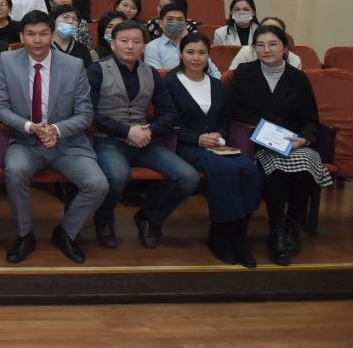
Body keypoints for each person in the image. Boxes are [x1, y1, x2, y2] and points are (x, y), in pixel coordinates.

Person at [0, 11, 107, 264]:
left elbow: (85, 114)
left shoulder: (73, 65)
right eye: (31, 34)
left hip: (67, 142)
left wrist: (56, 130)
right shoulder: (8, 61)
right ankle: (25, 235)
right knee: (15, 171)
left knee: (98, 184)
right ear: (21, 36)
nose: (38, 40)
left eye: (44, 34)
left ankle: (66, 232)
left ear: (52, 34)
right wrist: (29, 127)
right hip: (25, 140)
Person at [227, 24, 333, 266]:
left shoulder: (298, 78)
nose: (266, 50)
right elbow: (234, 109)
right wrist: (264, 130)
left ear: (285, 48)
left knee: (307, 164)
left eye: (273, 44)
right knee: (278, 170)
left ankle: (292, 225)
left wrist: (303, 139)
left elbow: (310, 118)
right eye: (260, 45)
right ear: (254, 49)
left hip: (294, 141)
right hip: (260, 141)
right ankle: (276, 231)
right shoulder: (244, 73)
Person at [87, 20, 198, 251]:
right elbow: (89, 113)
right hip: (108, 139)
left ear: (143, 46)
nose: (130, 46)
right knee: (118, 175)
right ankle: (104, 220)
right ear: (113, 44)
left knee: (188, 177)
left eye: (136, 41)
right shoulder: (97, 70)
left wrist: (150, 130)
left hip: (145, 140)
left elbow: (169, 113)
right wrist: (126, 131)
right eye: (124, 40)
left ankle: (150, 217)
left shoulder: (151, 73)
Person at [164, 32, 261, 268]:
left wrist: (220, 135)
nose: (196, 58)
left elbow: (225, 119)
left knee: (248, 169)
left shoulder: (216, 84)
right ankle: (220, 233)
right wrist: (196, 138)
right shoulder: (170, 83)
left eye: (202, 52)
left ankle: (239, 232)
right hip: (186, 145)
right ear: (181, 54)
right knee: (223, 170)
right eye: (190, 52)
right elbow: (167, 123)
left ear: (208, 55)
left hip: (218, 145)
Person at [145, 0, 221, 78]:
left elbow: (216, 74)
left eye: (179, 19)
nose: (175, 22)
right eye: (170, 19)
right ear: (160, 23)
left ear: (185, 24)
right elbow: (156, 78)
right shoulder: (153, 47)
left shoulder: (195, 45)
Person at [229, 16, 303, 70]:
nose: (269, 34)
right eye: (265, 30)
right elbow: (231, 77)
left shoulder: (294, 60)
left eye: (275, 30)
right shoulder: (246, 52)